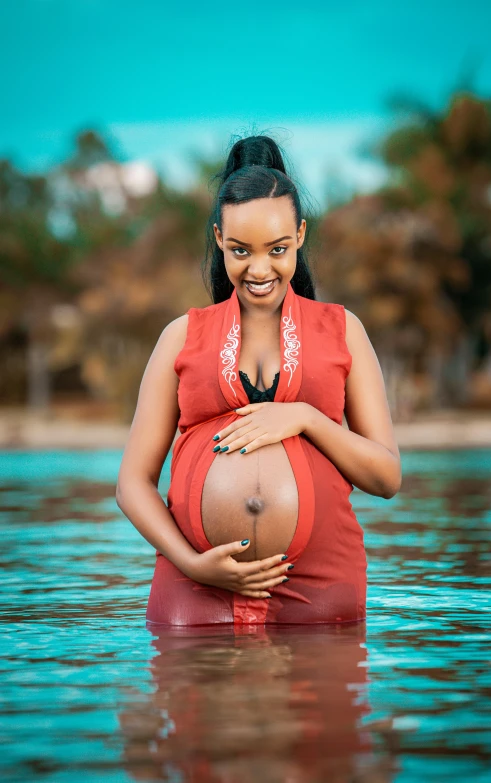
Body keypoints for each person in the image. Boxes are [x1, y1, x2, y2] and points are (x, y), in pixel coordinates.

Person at [116, 134, 401, 626]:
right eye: (242, 250)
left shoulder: (342, 330)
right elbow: (132, 483)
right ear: (219, 240)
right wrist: (192, 564)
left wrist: (306, 418)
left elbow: (387, 477)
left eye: (278, 248)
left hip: (319, 586)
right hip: (195, 588)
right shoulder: (180, 337)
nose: (260, 268)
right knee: (193, 700)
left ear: (301, 236)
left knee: (318, 699)